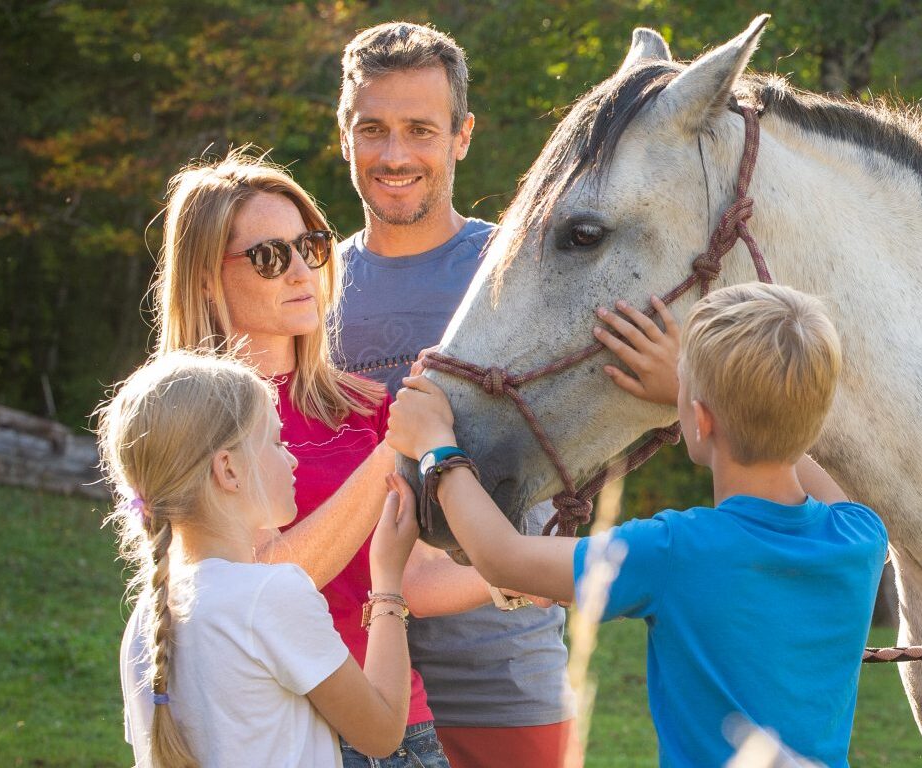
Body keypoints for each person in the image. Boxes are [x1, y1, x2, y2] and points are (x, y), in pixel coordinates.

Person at [388, 284, 889, 767]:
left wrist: (437, 444)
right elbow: (791, 449)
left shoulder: (673, 553)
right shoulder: (860, 537)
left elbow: (503, 559)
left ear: (701, 419)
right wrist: (700, 395)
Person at [151, 150, 451, 765]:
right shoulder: (178, 422)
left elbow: (409, 576)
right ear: (206, 277)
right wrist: (396, 446)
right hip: (271, 734)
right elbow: (255, 583)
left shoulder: (363, 406)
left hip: (394, 723)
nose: (299, 271)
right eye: (268, 256)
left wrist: (538, 573)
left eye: (310, 246)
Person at [329, 21, 571, 766]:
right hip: (345, 667)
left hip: (502, 672)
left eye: (420, 130)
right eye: (373, 129)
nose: (395, 155)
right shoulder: (309, 291)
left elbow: (580, 447)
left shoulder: (518, 276)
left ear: (462, 135)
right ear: (344, 135)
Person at [101, 350, 420, 767]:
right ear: (228, 469)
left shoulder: (147, 618)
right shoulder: (271, 594)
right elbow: (381, 733)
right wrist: (388, 583)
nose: (291, 458)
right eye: (275, 441)